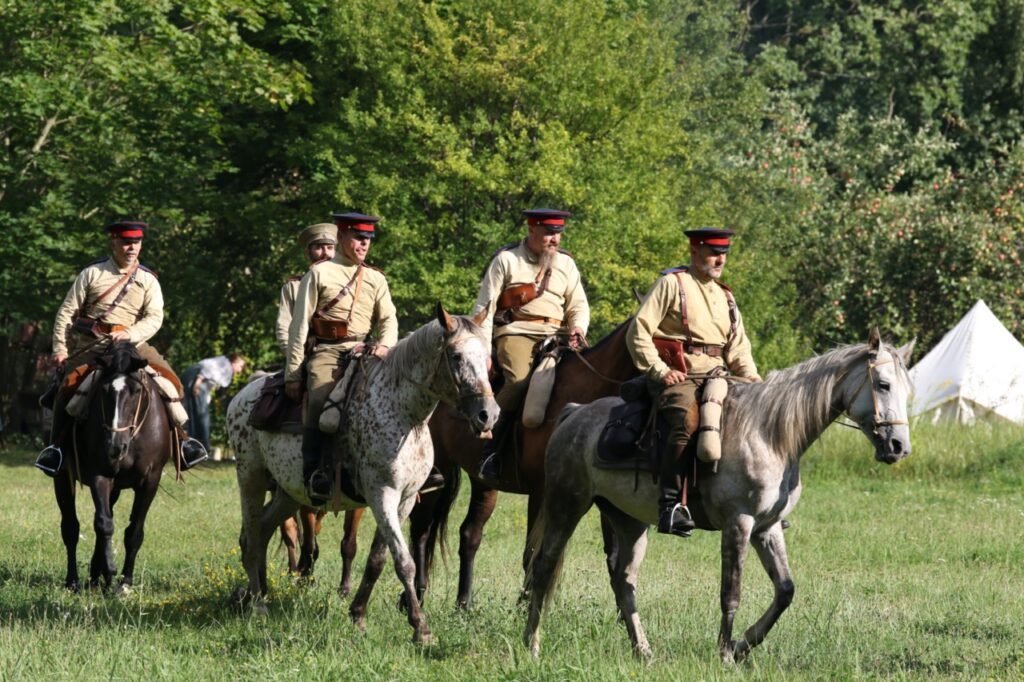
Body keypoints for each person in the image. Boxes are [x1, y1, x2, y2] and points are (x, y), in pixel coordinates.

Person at [35, 220, 209, 476]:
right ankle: (56, 450)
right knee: (67, 388)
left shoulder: (148, 280)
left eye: (136, 242)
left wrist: (130, 334)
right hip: (93, 346)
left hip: (134, 346)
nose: (131, 247)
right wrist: (60, 349)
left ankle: (183, 443)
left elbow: (154, 317)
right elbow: (66, 313)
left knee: (172, 384)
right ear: (113, 241)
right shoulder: (92, 274)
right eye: (126, 242)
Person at [626, 227, 761, 538]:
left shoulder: (726, 295)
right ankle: (671, 505)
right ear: (695, 251)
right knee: (687, 419)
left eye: (723, 253)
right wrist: (659, 370)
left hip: (719, 374)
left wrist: (752, 377)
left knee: (753, 417)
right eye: (713, 252)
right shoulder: (672, 283)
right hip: (679, 375)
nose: (720, 259)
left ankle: (758, 500)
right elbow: (639, 331)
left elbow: (738, 347)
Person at [284, 212, 398, 503]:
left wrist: (385, 345)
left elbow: (389, 320)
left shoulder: (375, 277)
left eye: (368, 239)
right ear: (342, 237)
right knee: (321, 397)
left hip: (367, 350)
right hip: (328, 351)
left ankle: (412, 466)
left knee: (402, 393)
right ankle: (314, 473)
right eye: (359, 238)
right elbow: (298, 327)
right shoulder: (319, 274)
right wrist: (294, 373)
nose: (364, 244)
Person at [472, 208, 590, 482]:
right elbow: (485, 308)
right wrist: (482, 351)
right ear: (531, 230)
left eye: (558, 233)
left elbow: (579, 305)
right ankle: (490, 448)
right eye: (548, 233)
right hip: (517, 332)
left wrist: (578, 328)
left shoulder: (567, 264)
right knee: (518, 381)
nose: (555, 239)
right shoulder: (507, 260)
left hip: (559, 336)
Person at [276, 223, 338, 358]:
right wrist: (294, 359)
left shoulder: (351, 283)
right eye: (319, 247)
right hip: (311, 355)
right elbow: (284, 328)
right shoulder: (294, 287)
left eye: (330, 247)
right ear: (307, 253)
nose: (326, 253)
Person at [181, 353, 247, 452]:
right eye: (240, 366)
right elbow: (207, 371)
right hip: (195, 377)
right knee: (199, 415)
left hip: (196, 378)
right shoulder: (226, 366)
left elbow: (210, 383)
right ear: (234, 362)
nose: (240, 370)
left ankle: (197, 447)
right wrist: (197, 384)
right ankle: (199, 447)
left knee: (198, 414)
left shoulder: (224, 365)